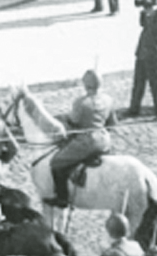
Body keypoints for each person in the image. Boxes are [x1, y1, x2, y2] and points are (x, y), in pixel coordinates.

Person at [47, 69, 115, 206]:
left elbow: (73, 122)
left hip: (87, 141)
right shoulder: (109, 100)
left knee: (55, 162)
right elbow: (112, 123)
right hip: (105, 140)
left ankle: (62, 198)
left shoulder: (81, 102)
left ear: (86, 84)